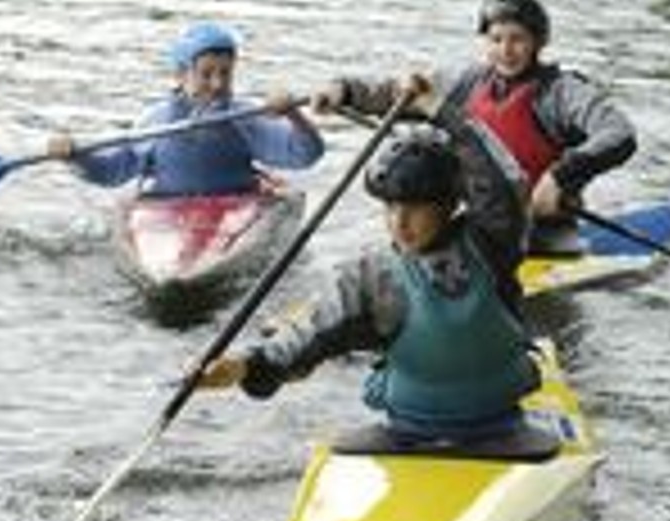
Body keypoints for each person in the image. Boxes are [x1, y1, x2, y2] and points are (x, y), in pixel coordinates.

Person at [197, 75, 549, 451]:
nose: (399, 222)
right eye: (391, 207)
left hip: (501, 428)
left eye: (415, 208)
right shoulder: (371, 277)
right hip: (408, 430)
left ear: (448, 205)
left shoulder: (491, 243)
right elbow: (310, 332)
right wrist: (244, 365)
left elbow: (503, 183)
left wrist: (444, 114)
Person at [312, 0, 636, 251]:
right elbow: (393, 94)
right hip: (477, 219)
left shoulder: (563, 92)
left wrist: (562, 176)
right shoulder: (466, 81)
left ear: (539, 41)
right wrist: (343, 90)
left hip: (540, 229)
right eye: (496, 39)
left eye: (517, 39)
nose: (505, 51)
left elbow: (619, 134)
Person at [47, 22, 325, 196]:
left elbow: (307, 154)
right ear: (180, 75)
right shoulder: (156, 122)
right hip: (167, 212)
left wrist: (293, 115)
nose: (217, 83)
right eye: (206, 74)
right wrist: (76, 156)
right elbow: (111, 172)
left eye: (225, 73)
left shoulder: (246, 118)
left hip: (236, 203)